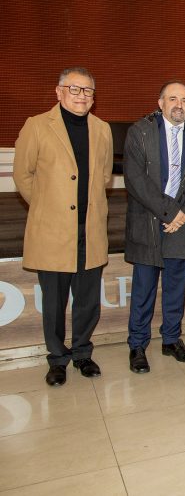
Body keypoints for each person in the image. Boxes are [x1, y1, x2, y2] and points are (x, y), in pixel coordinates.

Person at [13, 67, 113, 387]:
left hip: (90, 231)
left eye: (88, 91)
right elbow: (23, 176)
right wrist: (47, 207)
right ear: (58, 92)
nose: (82, 96)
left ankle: (82, 353)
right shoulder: (37, 126)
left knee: (87, 300)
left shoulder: (102, 129)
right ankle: (57, 359)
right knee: (55, 303)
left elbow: (106, 176)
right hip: (53, 232)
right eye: (75, 89)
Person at [123, 81, 185, 373]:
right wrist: (169, 213)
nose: (179, 105)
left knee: (176, 287)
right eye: (173, 99)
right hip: (150, 221)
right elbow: (136, 181)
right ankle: (137, 345)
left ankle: (171, 339)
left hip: (182, 225)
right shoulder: (140, 132)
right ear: (160, 102)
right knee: (144, 289)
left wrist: (184, 215)